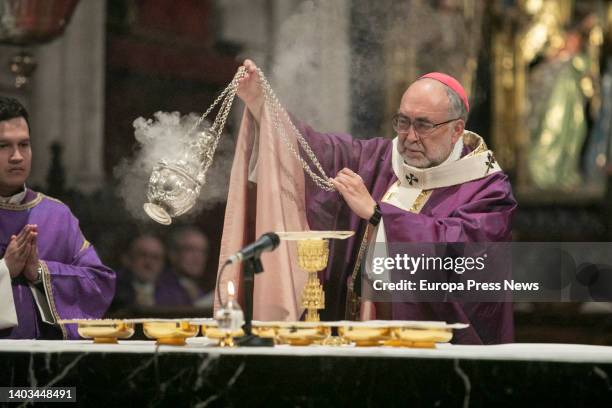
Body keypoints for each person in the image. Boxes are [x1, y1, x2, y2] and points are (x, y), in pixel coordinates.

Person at [219, 60, 517, 344]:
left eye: (424, 125)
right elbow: (319, 152)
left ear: (456, 130)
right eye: (403, 122)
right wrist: (265, 106)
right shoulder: (380, 160)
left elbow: (464, 255)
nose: (409, 137)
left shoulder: (487, 188)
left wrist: (379, 215)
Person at [0, 97, 115, 339]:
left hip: (48, 368)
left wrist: (40, 273)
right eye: (4, 146)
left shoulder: (56, 215)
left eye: (24, 144)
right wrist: (5, 270)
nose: (17, 156)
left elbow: (100, 283)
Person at [166, 226, 213, 308]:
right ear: (173, 254)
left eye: (202, 251)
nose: (197, 257)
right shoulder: (162, 288)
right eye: (190, 249)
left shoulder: (198, 289)